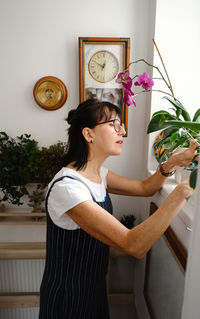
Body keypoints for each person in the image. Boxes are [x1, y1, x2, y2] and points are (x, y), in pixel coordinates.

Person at [39, 99, 198, 319]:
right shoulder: (68, 188)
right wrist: (182, 191)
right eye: (114, 124)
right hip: (69, 295)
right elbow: (133, 244)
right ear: (88, 134)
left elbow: (145, 188)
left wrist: (173, 162)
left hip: (94, 289)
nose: (122, 131)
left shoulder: (99, 173)